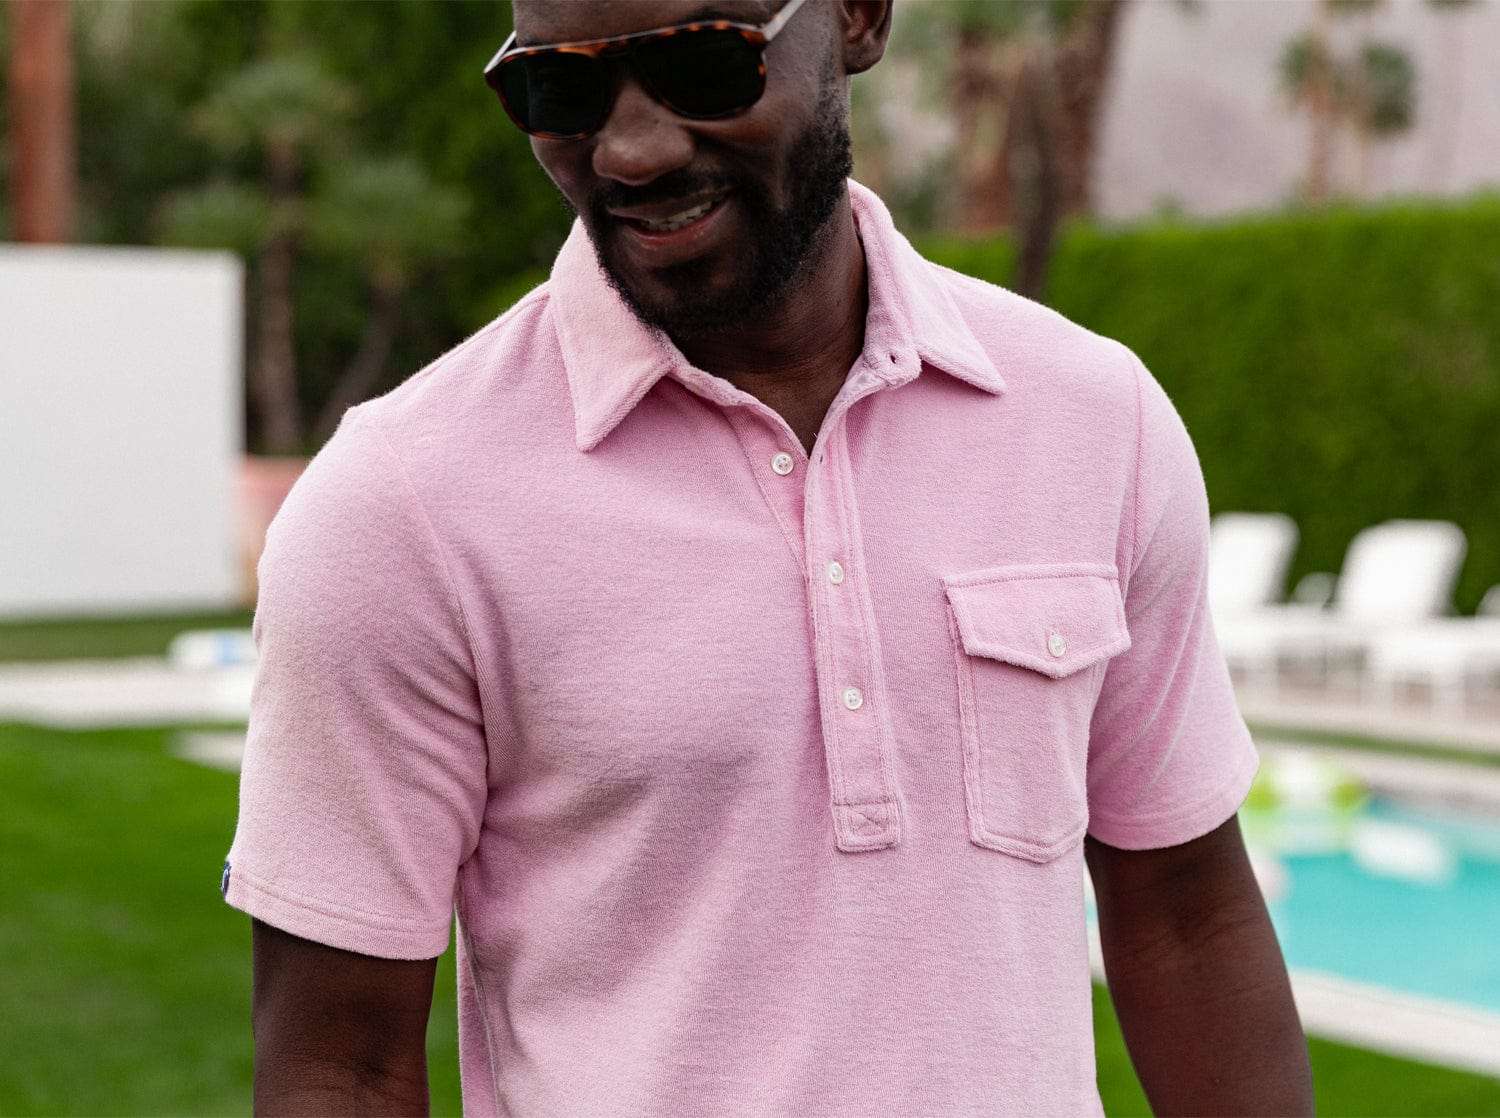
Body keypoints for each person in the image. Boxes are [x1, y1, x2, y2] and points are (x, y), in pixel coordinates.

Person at [224, 1, 1315, 1114]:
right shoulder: (400, 507)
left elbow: (1187, 911)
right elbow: (339, 1062)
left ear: (858, 18)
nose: (631, 150)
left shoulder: (1093, 419)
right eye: (561, 88)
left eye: (704, 63)